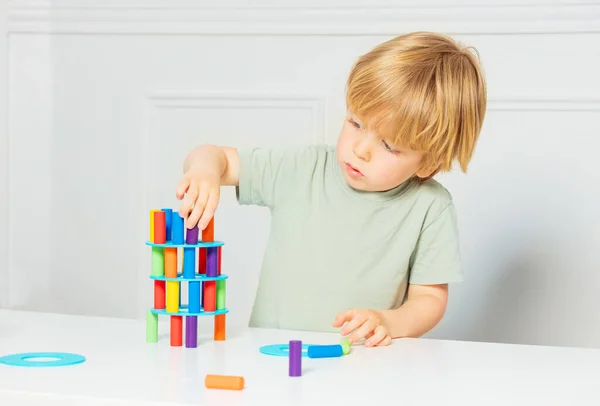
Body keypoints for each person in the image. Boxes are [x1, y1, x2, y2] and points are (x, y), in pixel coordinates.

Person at [175, 31, 487, 347]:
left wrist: (388, 322)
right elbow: (217, 157)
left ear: (427, 164)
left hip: (362, 364)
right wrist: (204, 169)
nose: (361, 149)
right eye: (356, 123)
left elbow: (429, 299)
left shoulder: (430, 207)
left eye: (389, 145)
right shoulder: (303, 167)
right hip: (271, 354)